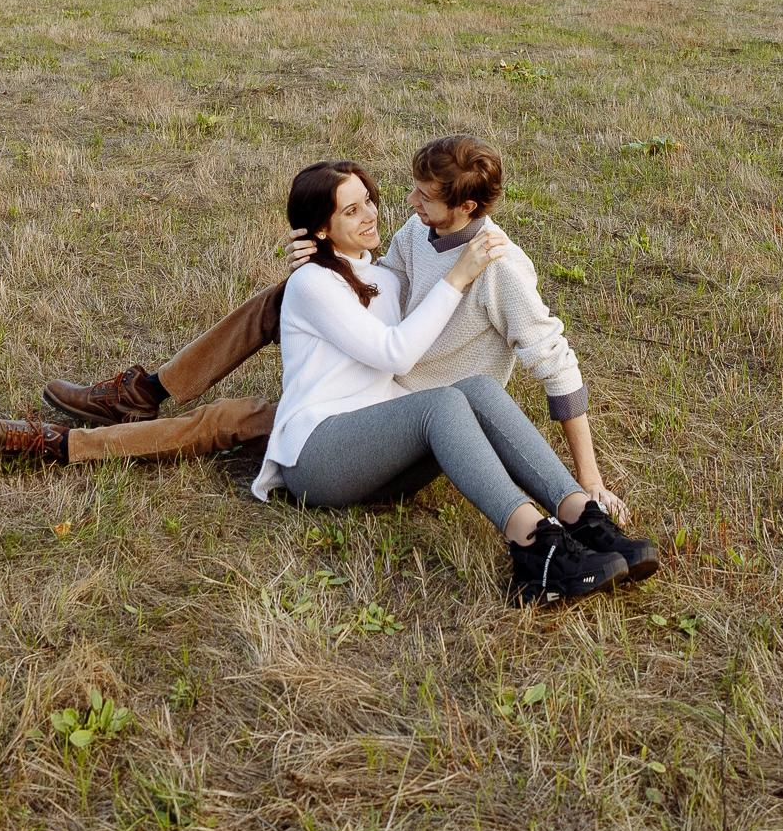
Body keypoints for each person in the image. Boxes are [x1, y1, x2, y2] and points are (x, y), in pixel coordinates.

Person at [0, 135, 629, 520]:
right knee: (286, 302)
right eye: (404, 195)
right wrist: (325, 261)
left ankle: (59, 444)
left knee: (224, 417)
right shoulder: (419, 232)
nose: (404, 205)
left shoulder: (500, 269)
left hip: (403, 413)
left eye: (420, 195)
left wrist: (589, 479)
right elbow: (384, 274)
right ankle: (141, 394)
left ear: (468, 205)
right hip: (358, 391)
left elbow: (557, 366)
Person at [257, 161, 650, 603]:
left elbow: (416, 294)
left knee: (478, 387)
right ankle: (535, 551)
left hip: (376, 453)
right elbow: (397, 352)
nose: (370, 214)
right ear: (322, 229)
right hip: (317, 458)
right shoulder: (311, 281)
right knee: (440, 404)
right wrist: (459, 275)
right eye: (351, 211)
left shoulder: (382, 273)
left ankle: (584, 518)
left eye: (368, 200)